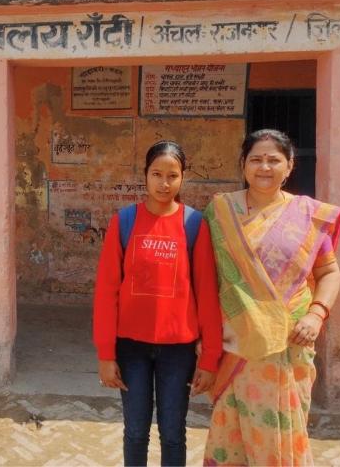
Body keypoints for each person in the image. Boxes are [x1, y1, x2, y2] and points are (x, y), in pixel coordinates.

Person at [202, 129, 340, 466]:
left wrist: (316, 314)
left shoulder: (308, 217)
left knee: (283, 434)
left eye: (274, 160)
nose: (264, 167)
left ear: (290, 165)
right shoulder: (221, 213)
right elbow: (206, 281)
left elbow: (329, 273)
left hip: (290, 345)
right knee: (232, 437)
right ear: (243, 164)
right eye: (256, 159)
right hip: (237, 347)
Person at [93, 140, 223, 467]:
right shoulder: (123, 222)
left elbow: (207, 293)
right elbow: (107, 293)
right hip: (131, 347)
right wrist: (106, 355)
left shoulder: (194, 224)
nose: (164, 183)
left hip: (178, 349)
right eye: (157, 174)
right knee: (135, 431)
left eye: (172, 176)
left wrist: (209, 358)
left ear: (183, 178)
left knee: (174, 433)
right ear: (145, 175)